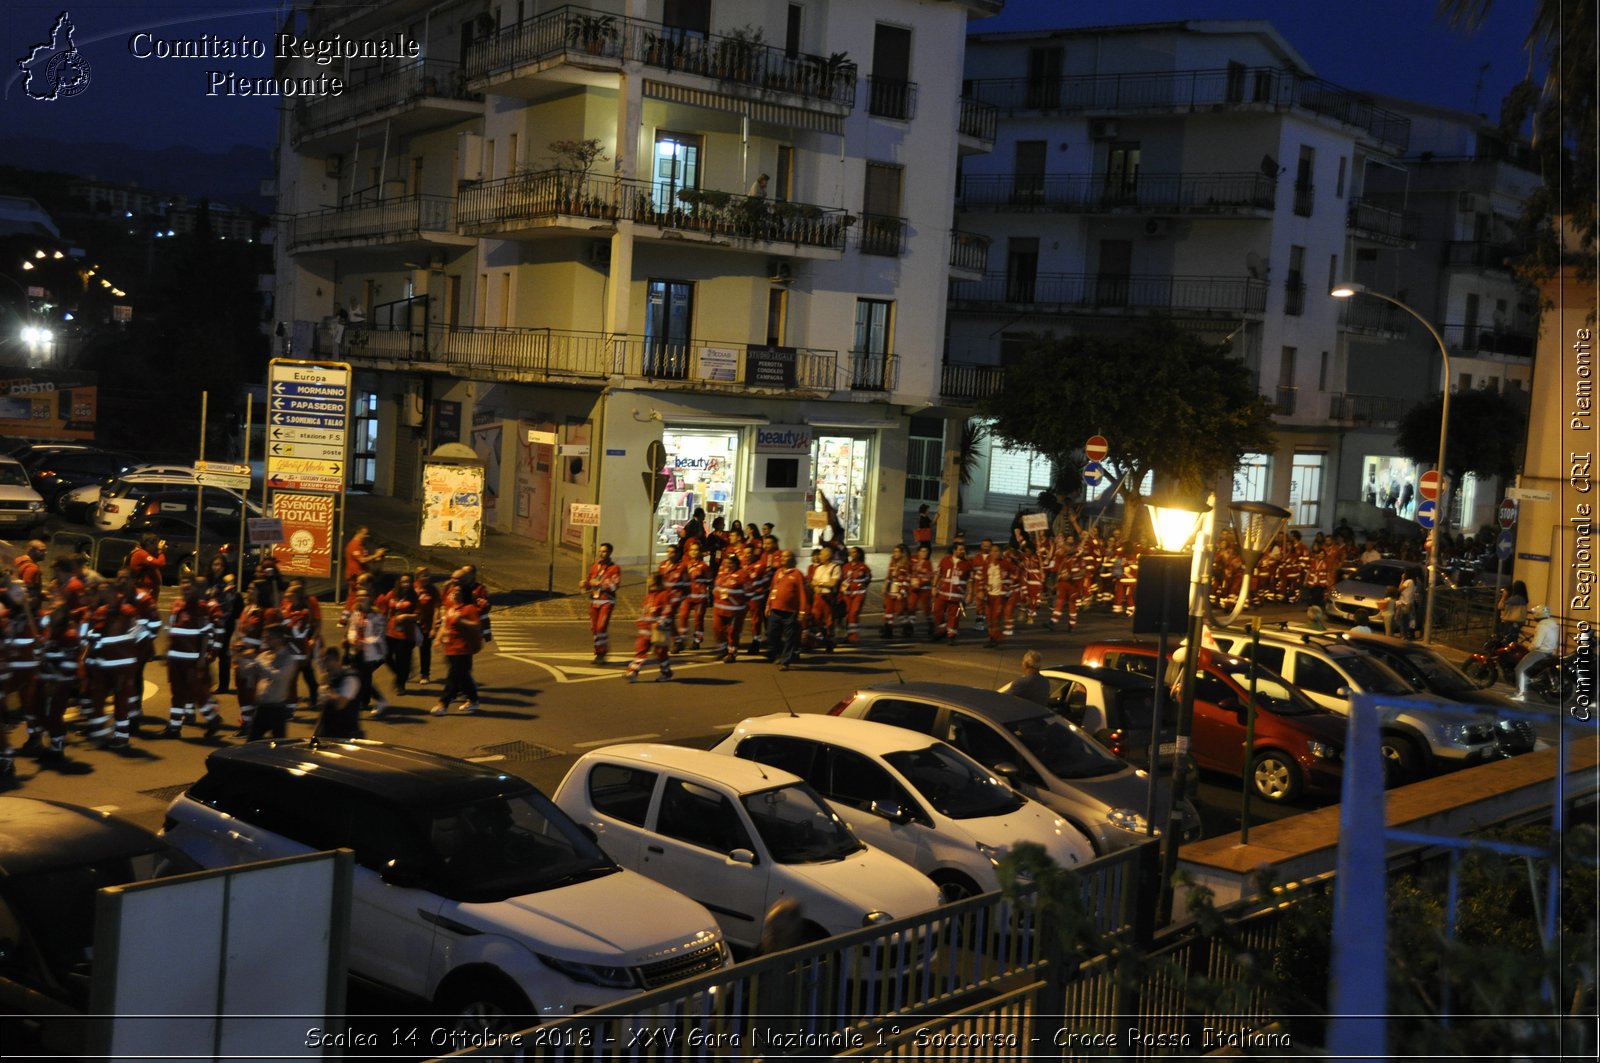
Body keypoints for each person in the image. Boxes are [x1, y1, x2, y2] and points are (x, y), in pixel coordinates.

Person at [162, 577, 225, 740]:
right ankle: (174, 727)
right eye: (183, 585)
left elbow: (205, 635)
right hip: (175, 659)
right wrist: (166, 651)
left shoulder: (201, 608)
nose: (185, 588)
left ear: (195, 590)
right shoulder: (176, 605)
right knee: (177, 693)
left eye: (189, 586)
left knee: (196, 692)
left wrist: (202, 658)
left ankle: (213, 719)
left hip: (191, 660)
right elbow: (171, 631)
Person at [431, 580, 484, 713]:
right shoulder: (451, 608)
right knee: (463, 676)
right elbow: (445, 624)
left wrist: (462, 621)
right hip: (450, 647)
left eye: (458, 592)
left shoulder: (469, 609)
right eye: (454, 591)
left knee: (453, 676)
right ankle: (473, 700)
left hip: (463, 648)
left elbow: (477, 626)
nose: (454, 594)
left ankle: (443, 704)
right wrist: (438, 639)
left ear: (464, 594)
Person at [241, 624, 298, 740]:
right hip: (261, 708)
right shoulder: (264, 655)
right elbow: (245, 672)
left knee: (279, 747)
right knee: (251, 744)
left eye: (269, 637)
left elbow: (277, 676)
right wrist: (240, 657)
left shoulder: (288, 658)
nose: (265, 640)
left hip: (277, 709)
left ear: (279, 639)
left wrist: (256, 660)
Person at [346, 590, 391, 718]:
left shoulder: (376, 615)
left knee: (363, 679)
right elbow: (352, 629)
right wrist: (353, 639)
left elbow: (379, 635)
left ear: (369, 598)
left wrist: (364, 642)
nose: (360, 598)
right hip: (357, 651)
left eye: (364, 596)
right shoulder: (356, 613)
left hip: (371, 652)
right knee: (359, 678)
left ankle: (380, 700)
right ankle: (361, 702)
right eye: (358, 595)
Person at [625, 572, 674, 683]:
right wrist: (640, 620)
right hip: (646, 629)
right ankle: (632, 672)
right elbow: (645, 611)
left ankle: (666, 673)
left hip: (658, 630)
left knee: (660, 653)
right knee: (641, 650)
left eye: (649, 578)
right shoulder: (649, 595)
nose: (647, 580)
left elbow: (667, 611)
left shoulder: (664, 595)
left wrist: (660, 622)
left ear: (655, 581)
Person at [765, 550, 809, 670]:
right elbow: (773, 590)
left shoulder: (797, 574)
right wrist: (768, 605)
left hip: (790, 612)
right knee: (771, 634)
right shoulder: (778, 572)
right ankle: (779, 653)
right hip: (776, 609)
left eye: (786, 556)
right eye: (782, 556)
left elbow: (802, 593)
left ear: (792, 559)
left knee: (789, 637)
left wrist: (802, 611)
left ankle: (785, 661)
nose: (783, 558)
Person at [378, 573, 420, 693]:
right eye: (403, 582)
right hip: (390, 631)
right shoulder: (392, 594)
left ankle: (400, 685)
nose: (406, 584)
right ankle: (400, 675)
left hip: (406, 634)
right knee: (385, 656)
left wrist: (406, 616)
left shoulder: (413, 597)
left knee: (403, 660)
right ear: (399, 583)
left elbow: (418, 616)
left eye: (408, 582)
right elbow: (383, 608)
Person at [581, 543, 622, 664]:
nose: (601, 553)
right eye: (600, 551)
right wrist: (585, 584)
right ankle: (598, 652)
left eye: (604, 551)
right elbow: (589, 582)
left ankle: (602, 652)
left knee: (601, 627)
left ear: (609, 553)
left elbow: (615, 586)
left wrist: (599, 584)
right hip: (594, 601)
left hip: (607, 601)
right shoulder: (594, 567)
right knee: (594, 628)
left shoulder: (615, 568)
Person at [314, 646, 363, 739]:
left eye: (326, 661)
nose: (324, 666)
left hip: (346, 735)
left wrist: (328, 689)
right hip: (328, 734)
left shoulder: (350, 678)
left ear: (335, 660)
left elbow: (340, 704)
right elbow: (323, 710)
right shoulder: (331, 679)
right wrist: (315, 734)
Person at [1513, 605, 1561, 700]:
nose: (1534, 616)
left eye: (1535, 614)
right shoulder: (1553, 624)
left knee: (1519, 669)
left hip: (1540, 651)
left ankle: (1519, 694)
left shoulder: (1541, 626)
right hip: (1550, 651)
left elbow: (1537, 644)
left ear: (1538, 615)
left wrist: (1529, 648)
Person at [343, 526, 387, 597]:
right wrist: (376, 555)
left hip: (361, 575)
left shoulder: (361, 545)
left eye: (367, 534)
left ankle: (351, 607)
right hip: (356, 576)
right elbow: (362, 560)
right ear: (359, 533)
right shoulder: (354, 545)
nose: (366, 536)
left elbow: (366, 559)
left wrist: (377, 557)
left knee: (356, 596)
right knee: (358, 596)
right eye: (365, 534)